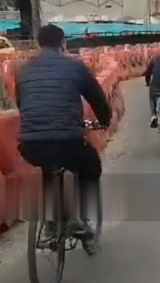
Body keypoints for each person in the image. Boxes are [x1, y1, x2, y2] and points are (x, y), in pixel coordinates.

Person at [16, 24, 112, 240]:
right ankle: (79, 216)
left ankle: (51, 223)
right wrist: (105, 120)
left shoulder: (23, 69)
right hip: (67, 140)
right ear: (63, 43)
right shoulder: (75, 66)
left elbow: (21, 103)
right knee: (90, 165)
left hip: (29, 144)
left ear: (38, 43)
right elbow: (97, 98)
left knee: (48, 166)